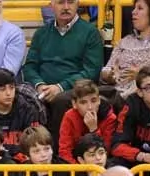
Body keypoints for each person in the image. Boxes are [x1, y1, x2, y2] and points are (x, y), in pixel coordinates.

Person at [22, 0, 103, 142]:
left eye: (70, 2)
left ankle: (57, 153)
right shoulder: (41, 33)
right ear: (51, 5)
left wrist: (60, 87)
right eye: (60, 2)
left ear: (78, 4)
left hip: (73, 89)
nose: (66, 7)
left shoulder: (91, 33)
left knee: (61, 100)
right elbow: (29, 66)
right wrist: (39, 85)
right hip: (42, 89)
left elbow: (91, 71)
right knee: (22, 98)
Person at [99, 0, 150, 99]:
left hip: (147, 95)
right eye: (134, 8)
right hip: (116, 92)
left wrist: (144, 75)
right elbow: (107, 68)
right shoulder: (124, 41)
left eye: (140, 8)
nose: (133, 12)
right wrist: (109, 74)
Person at [0, 67, 43, 160]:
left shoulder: (28, 110)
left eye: (12, 88)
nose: (8, 93)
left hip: (22, 162)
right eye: (2, 89)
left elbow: (34, 142)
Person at [58, 79, 117, 164]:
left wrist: (94, 130)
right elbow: (64, 151)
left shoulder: (110, 118)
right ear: (74, 104)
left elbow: (106, 150)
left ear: (99, 100)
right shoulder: (69, 116)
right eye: (83, 102)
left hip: (101, 165)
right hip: (77, 166)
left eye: (93, 101)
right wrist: (80, 171)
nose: (90, 107)